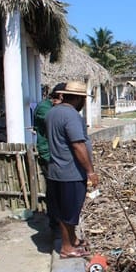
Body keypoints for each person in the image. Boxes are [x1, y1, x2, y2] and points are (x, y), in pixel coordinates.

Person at [45, 81, 99, 258]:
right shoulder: (72, 116)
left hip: (55, 170)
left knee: (64, 210)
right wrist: (90, 171)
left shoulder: (52, 113)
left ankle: (73, 239)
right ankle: (67, 248)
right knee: (70, 211)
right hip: (70, 172)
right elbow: (77, 145)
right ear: (78, 99)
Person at [33, 82, 66, 231]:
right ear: (60, 95)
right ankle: (55, 221)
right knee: (53, 190)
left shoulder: (55, 108)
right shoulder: (44, 108)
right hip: (49, 155)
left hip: (58, 155)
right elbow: (57, 123)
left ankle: (59, 219)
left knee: (60, 189)